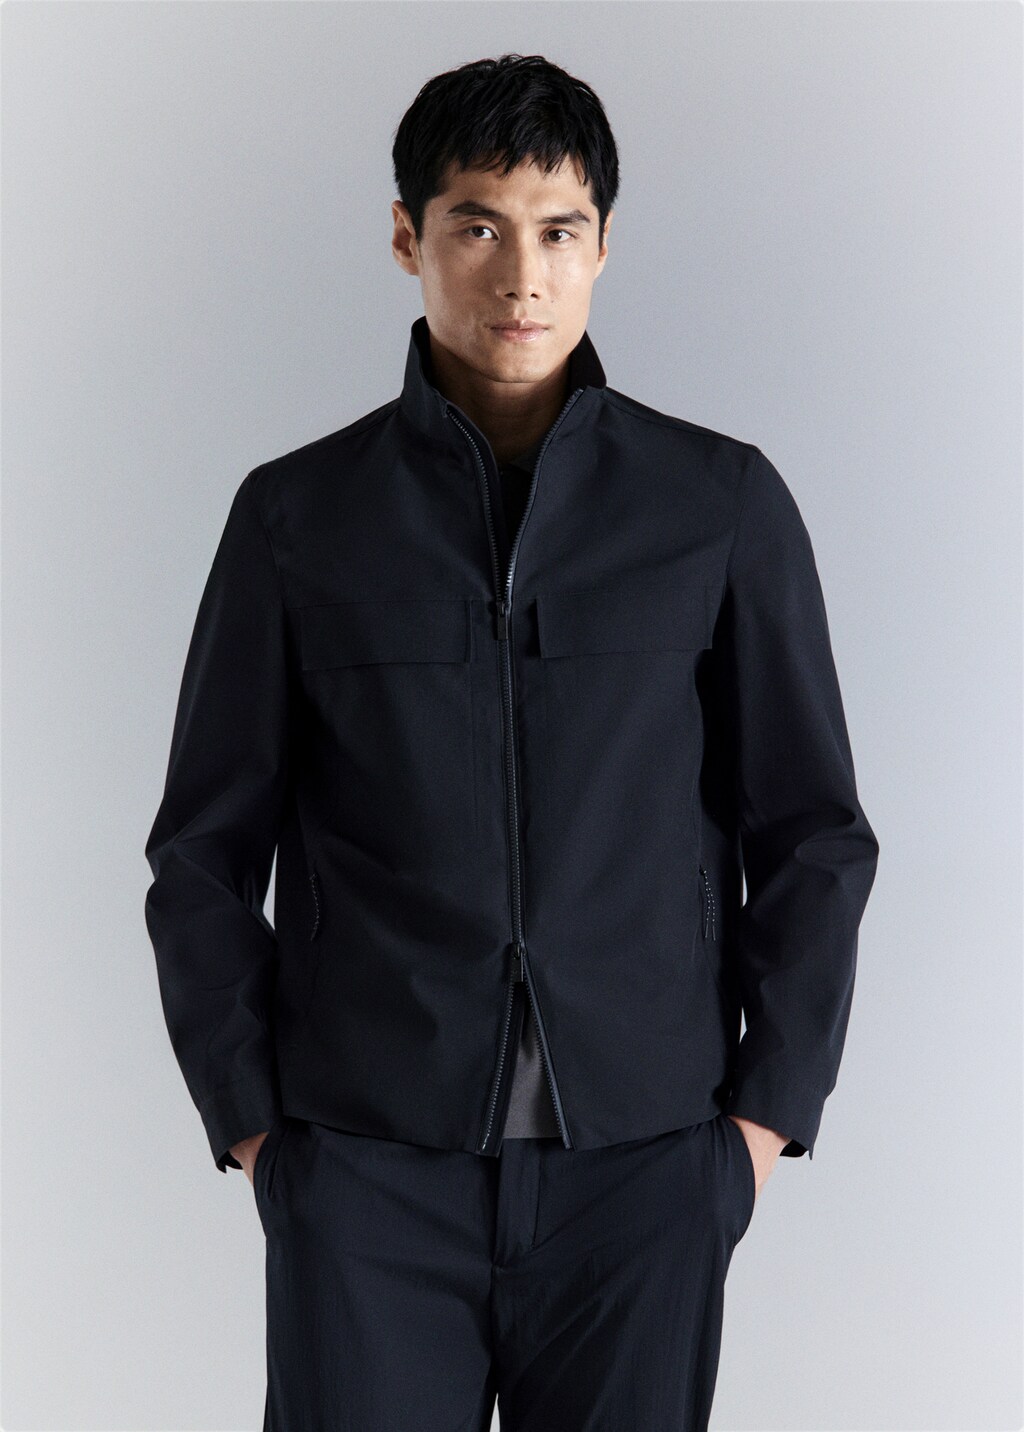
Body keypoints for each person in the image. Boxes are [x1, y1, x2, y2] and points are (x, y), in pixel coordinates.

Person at [144, 52, 880, 1432]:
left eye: (559, 230)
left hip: (645, 1172)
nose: (521, 276)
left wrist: (756, 1129)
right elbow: (202, 850)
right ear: (409, 237)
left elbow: (813, 833)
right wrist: (257, 1131)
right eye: (477, 226)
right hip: (367, 1173)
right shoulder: (297, 519)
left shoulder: (717, 505)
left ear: (604, 245)